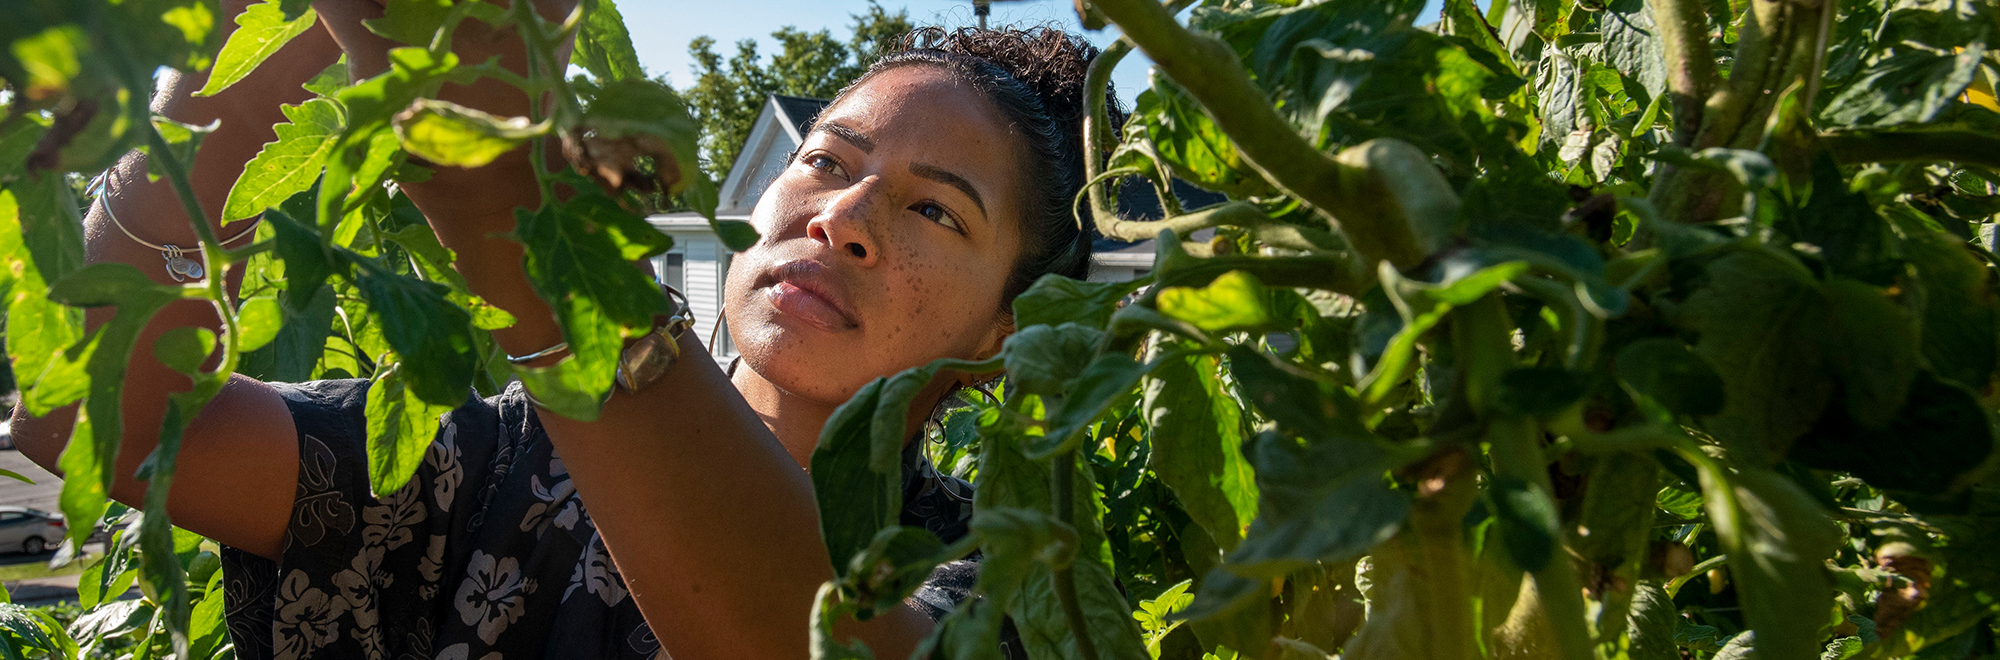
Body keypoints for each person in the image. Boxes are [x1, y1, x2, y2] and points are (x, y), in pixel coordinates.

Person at [9, 1, 1117, 658]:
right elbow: (106, 426)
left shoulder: (1005, 574)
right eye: (825, 160)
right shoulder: (479, 462)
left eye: (933, 209)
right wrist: (282, 47)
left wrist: (508, 201)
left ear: (1006, 331)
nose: (843, 218)